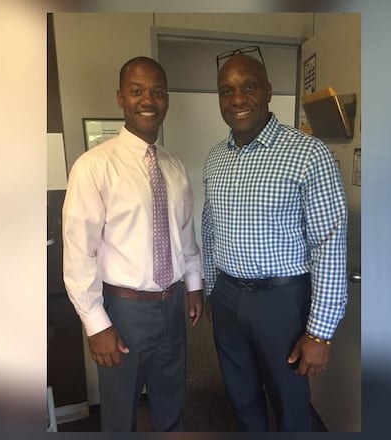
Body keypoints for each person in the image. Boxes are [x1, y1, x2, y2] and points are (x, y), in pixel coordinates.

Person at [201, 50, 348, 432]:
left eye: (248, 86)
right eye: (226, 90)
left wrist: (319, 333)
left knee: (289, 403)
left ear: (268, 90)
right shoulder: (215, 158)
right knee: (241, 396)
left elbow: (329, 243)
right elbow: (210, 227)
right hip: (228, 298)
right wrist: (213, 290)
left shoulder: (308, 154)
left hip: (281, 302)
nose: (237, 99)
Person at [62, 56, 204, 432]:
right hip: (124, 311)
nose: (148, 100)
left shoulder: (174, 167)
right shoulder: (93, 166)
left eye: (158, 92)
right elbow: (79, 253)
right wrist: (96, 324)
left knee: (172, 400)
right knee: (120, 410)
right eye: (137, 91)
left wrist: (193, 285)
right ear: (120, 98)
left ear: (166, 100)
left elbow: (185, 235)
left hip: (172, 305)